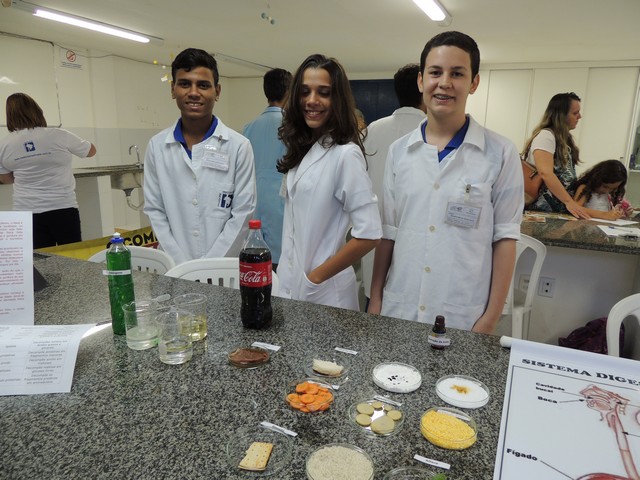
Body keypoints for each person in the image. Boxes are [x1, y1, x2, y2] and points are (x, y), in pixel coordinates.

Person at [368, 31, 523, 334]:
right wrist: (376, 299)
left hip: (464, 313)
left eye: (457, 73)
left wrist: (490, 318)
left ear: (474, 83)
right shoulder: (399, 152)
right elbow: (389, 231)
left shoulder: (500, 153)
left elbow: (505, 239)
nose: (444, 83)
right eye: (436, 72)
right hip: (400, 306)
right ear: (421, 80)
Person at [277, 53, 382, 310]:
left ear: (337, 100)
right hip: (291, 285)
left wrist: (316, 278)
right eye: (305, 92)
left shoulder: (345, 155)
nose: (312, 100)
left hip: (324, 292)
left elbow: (369, 235)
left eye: (323, 93)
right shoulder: (301, 150)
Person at [143, 48, 256, 265]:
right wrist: (181, 265)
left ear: (217, 91)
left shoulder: (239, 146)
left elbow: (242, 213)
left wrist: (207, 267)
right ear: (173, 89)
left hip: (223, 268)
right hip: (174, 266)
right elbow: (155, 211)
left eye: (203, 85)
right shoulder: (157, 146)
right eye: (185, 84)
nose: (194, 92)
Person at [361, 64, 427, 303]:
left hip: (374, 237)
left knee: (374, 306)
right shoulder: (432, 132)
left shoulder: (372, 130)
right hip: (417, 245)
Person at [0, 93, 97, 249]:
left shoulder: (4, 144)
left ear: (9, 116)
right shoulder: (60, 135)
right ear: (37, 111)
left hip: (26, 211)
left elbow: (5, 179)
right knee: (72, 256)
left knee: (40, 259)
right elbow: (91, 151)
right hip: (63, 207)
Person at [242, 68, 292, 270]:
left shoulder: (248, 128)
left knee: (257, 266)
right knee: (281, 269)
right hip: (281, 208)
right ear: (289, 92)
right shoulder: (292, 128)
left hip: (253, 207)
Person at [524, 92, 590, 219]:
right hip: (541, 211)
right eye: (575, 113)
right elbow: (545, 173)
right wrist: (569, 202)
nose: (579, 116)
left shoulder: (565, 139)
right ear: (561, 115)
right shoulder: (546, 136)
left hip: (556, 212)